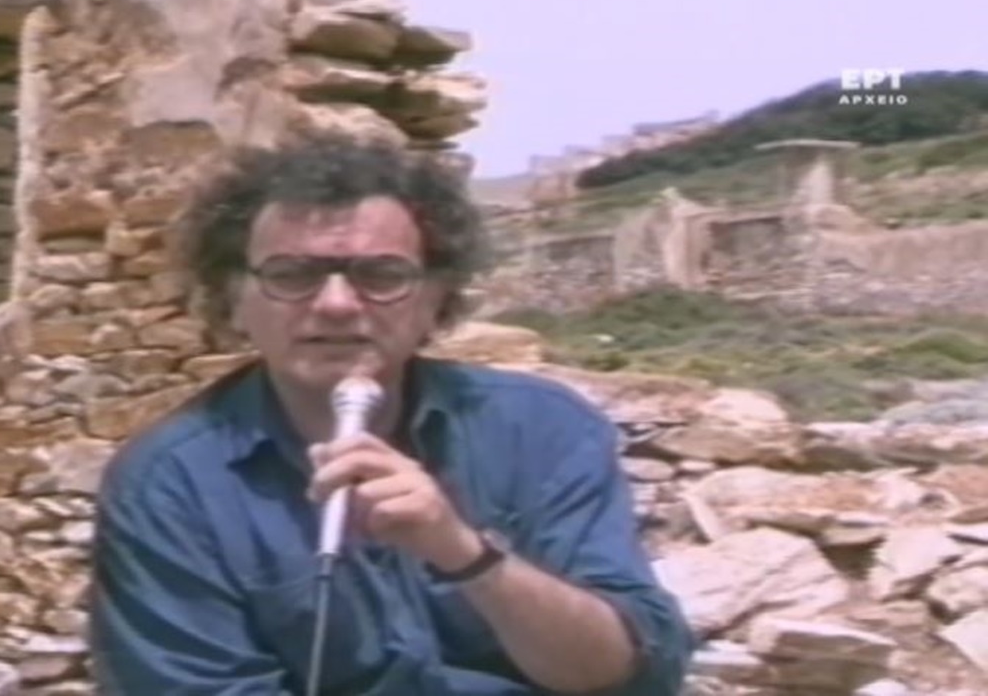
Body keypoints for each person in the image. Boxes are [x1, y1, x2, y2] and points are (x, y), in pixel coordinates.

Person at [88, 134, 695, 695]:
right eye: (291, 275)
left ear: (435, 297)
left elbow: (630, 671)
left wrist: (466, 555)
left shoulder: (543, 429)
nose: (335, 304)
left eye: (381, 275)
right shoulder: (170, 484)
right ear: (233, 299)